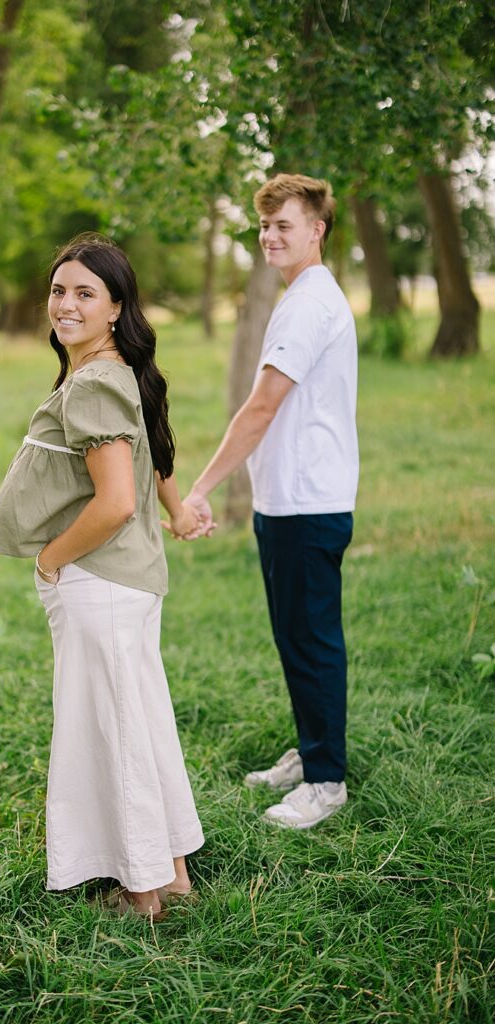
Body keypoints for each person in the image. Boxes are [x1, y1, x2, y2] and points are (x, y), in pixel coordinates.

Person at [0, 234, 204, 917]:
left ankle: (141, 894)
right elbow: (150, 460)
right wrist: (180, 508)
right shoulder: (116, 372)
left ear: (115, 308)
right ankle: (172, 875)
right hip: (128, 583)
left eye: (84, 293)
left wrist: (50, 559)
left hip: (99, 582)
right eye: (57, 290)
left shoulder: (95, 384)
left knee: (111, 733)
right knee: (138, 724)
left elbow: (113, 502)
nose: (64, 304)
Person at [180, 173, 359, 829]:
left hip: (307, 502)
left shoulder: (310, 304)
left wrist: (200, 489)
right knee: (294, 637)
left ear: (316, 229)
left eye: (283, 224)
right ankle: (312, 750)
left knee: (310, 640)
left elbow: (260, 407)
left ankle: (325, 783)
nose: (269, 236)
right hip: (287, 499)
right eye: (263, 226)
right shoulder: (300, 296)